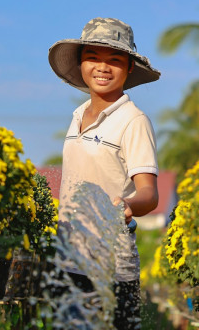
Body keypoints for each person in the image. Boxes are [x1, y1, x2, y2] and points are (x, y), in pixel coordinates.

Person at [47, 17, 161, 330]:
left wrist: (128, 205)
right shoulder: (77, 116)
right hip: (69, 257)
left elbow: (149, 194)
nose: (103, 67)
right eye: (93, 58)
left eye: (114, 60)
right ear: (80, 64)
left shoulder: (133, 121)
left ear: (129, 69)